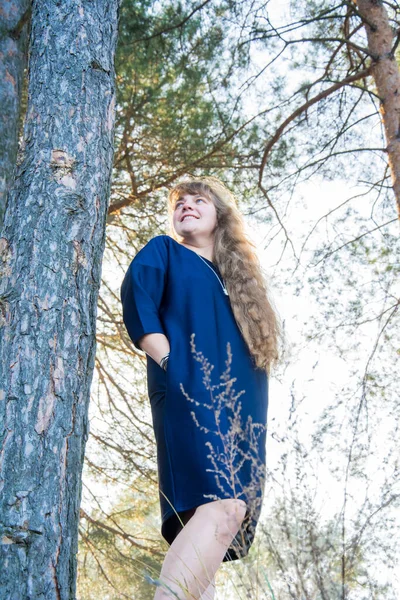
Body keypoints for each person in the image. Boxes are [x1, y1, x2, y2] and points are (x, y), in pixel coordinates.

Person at [120, 176, 280, 599]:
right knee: (225, 508)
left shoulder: (238, 282)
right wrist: (172, 365)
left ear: (220, 215)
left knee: (210, 533)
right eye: (179, 203)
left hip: (245, 412)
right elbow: (139, 303)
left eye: (198, 200)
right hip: (190, 392)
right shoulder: (165, 251)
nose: (186, 206)